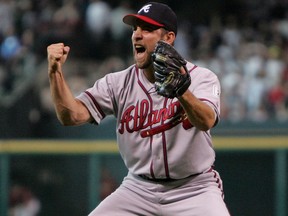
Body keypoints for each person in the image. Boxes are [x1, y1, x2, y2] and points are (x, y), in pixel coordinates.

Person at [47, 2, 230, 216]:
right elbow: (70, 116)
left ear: (169, 38)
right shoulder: (118, 83)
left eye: (147, 29)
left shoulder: (200, 77)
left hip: (193, 189)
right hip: (138, 189)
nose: (137, 35)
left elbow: (206, 120)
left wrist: (182, 91)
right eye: (135, 29)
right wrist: (54, 73)